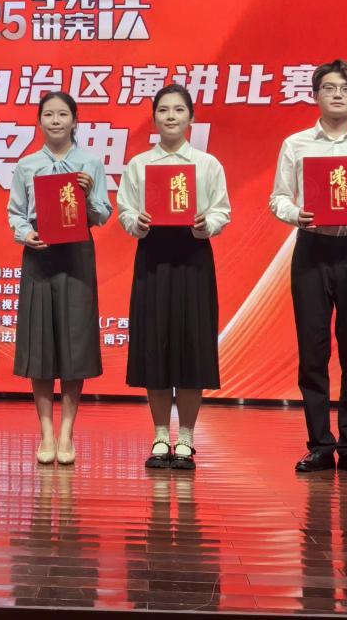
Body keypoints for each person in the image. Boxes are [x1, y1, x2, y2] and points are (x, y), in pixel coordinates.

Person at [268, 59, 347, 476]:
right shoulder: (296, 143)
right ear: (315, 95)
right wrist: (295, 214)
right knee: (313, 351)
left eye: (346, 89)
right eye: (329, 88)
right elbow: (278, 197)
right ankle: (320, 444)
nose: (337, 95)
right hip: (311, 251)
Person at [116, 83, 230, 471]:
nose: (170, 116)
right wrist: (137, 222)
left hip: (194, 257)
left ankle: (187, 437)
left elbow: (222, 211)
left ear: (191, 118)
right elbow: (125, 211)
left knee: (192, 345)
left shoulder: (207, 164)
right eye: (163, 110)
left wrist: (206, 225)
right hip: (153, 258)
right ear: (154, 118)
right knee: (156, 344)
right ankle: (161, 433)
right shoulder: (138, 165)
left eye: (178, 110)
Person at [7, 91, 112, 465]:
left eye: (62, 114)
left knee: (74, 343)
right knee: (40, 345)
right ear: (39, 121)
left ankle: (67, 432)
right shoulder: (27, 165)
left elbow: (103, 214)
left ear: (74, 121)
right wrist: (26, 234)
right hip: (40, 253)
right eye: (48, 115)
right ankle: (46, 433)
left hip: (77, 254)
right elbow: (16, 213)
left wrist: (88, 195)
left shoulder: (90, 163)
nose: (55, 121)